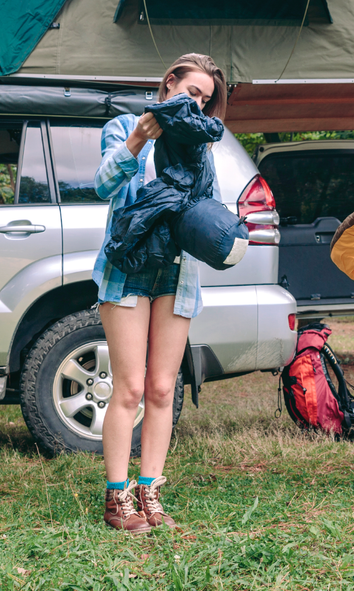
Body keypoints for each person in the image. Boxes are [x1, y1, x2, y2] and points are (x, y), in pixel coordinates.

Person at [92, 53, 228, 534]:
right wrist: (138, 141)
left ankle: (150, 493)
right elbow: (103, 184)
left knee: (162, 389)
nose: (197, 106)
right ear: (169, 83)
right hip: (128, 269)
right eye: (192, 93)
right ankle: (117, 499)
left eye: (206, 101)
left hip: (177, 272)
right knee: (129, 388)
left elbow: (207, 208)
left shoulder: (199, 146)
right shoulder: (125, 125)